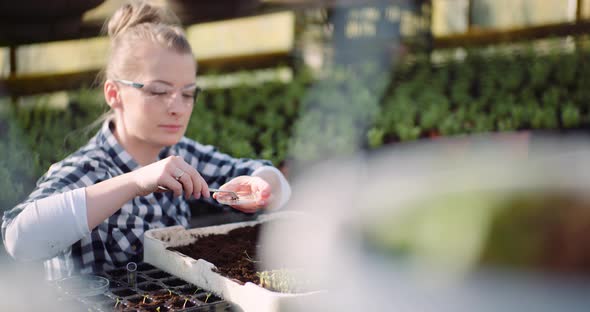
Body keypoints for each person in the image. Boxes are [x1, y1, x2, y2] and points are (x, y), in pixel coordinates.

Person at [1, 0, 290, 279]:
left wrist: (263, 186)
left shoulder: (180, 154)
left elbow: (273, 183)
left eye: (188, 93)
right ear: (114, 94)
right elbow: (18, 241)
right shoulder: (91, 170)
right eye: (158, 91)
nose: (177, 106)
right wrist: (137, 181)